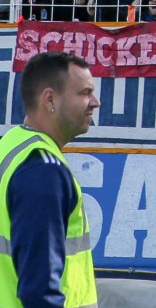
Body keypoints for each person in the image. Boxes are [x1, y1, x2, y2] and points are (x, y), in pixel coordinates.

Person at [0, 51, 99, 307]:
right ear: (50, 99)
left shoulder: (11, 145)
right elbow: (39, 291)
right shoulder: (43, 171)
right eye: (84, 93)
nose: (95, 102)